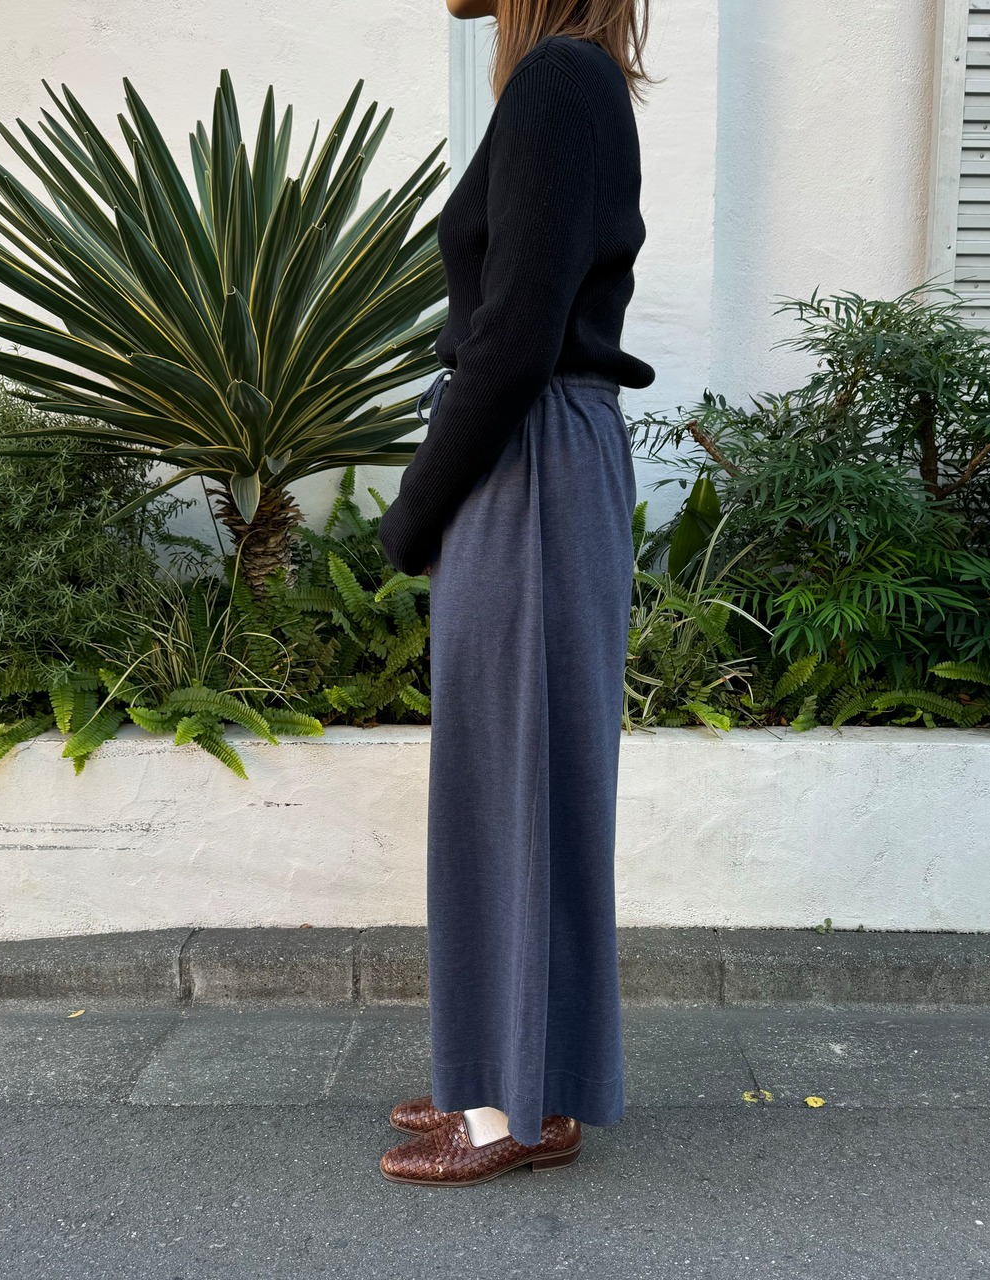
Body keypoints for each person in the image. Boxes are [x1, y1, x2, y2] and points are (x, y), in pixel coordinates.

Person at [374, 0, 655, 1187]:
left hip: (527, 457)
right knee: (518, 780)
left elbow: (515, 334)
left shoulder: (555, 82)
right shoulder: (571, 82)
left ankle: (509, 1110)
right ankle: (507, 1070)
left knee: (513, 780)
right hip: (542, 456)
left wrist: (412, 512)